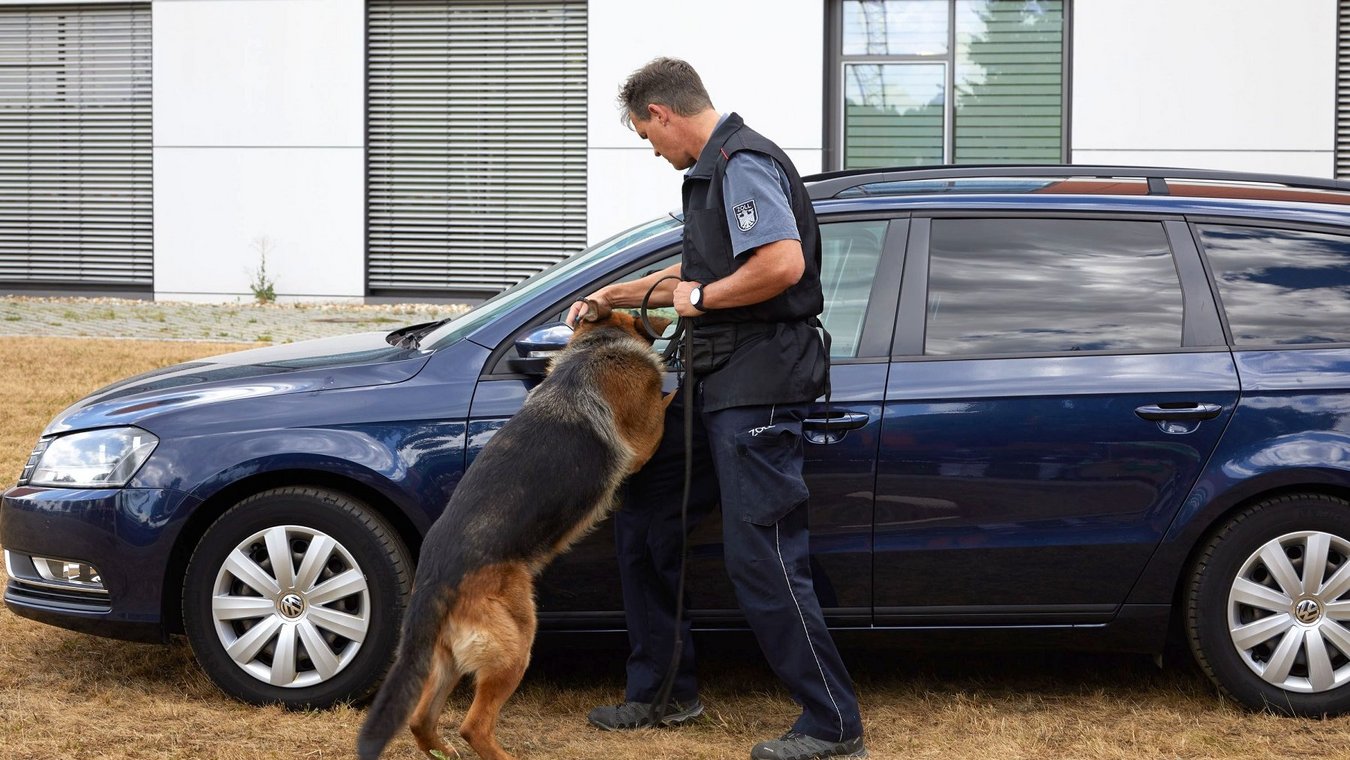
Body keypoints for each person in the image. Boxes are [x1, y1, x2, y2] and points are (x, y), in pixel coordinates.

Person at [566, 57, 866, 760]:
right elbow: (693, 275)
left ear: (663, 115)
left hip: (758, 384)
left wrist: (699, 300)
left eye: (648, 137)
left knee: (760, 554)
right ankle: (665, 692)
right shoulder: (711, 175)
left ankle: (833, 724)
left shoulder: (741, 163)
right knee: (645, 514)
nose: (654, 150)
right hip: (713, 384)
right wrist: (613, 297)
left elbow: (780, 264)